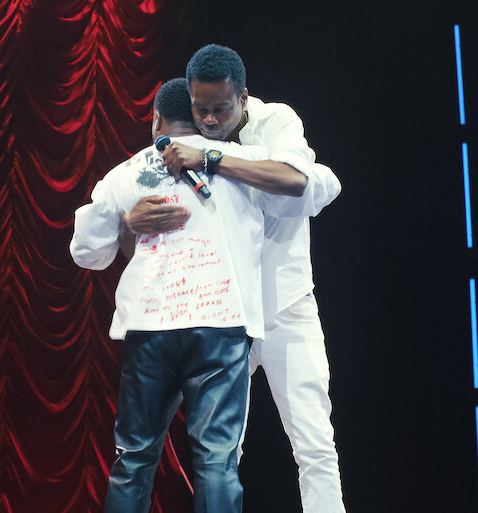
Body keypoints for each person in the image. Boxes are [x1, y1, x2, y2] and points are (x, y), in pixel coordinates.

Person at [70, 77, 300, 513]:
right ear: (198, 115)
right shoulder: (241, 160)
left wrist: (125, 221)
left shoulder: (124, 174)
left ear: (156, 118)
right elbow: (303, 185)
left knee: (134, 458)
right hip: (221, 323)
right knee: (217, 461)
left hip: (151, 328)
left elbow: (86, 253)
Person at [155, 44, 345, 512]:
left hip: (286, 308)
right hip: (225, 315)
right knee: (219, 454)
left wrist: (210, 158)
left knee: (315, 444)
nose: (210, 120)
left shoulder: (275, 121)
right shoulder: (184, 141)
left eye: (221, 109)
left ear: (243, 98)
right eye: (200, 109)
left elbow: (296, 180)